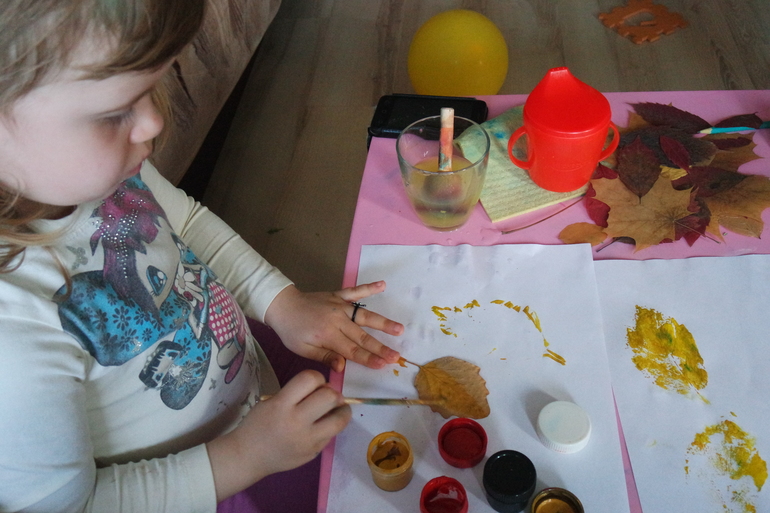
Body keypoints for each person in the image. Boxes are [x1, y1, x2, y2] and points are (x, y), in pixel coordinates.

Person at [0, 1, 403, 511]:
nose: (152, 122)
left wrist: (281, 302)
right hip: (207, 484)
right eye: (114, 113)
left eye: (150, 88)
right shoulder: (11, 337)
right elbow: (69, 506)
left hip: (246, 375)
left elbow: (186, 225)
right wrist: (249, 455)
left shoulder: (97, 173)